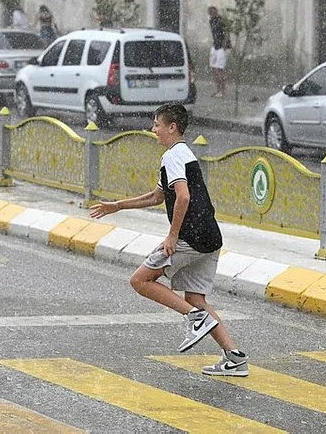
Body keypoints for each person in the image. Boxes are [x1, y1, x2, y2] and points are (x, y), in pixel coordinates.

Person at [89, 103, 249, 377]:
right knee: (196, 298)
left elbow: (183, 197)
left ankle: (194, 318)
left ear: (172, 127)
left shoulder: (173, 156)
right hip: (210, 237)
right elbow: (157, 196)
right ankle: (234, 358)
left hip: (191, 236)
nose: (154, 131)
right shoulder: (184, 155)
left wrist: (172, 236)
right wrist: (117, 206)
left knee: (140, 280)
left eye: (157, 125)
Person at [208, 6, 229, 98]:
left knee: (219, 70)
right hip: (215, 46)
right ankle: (218, 90)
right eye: (210, 13)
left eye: (213, 13)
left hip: (221, 47)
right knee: (213, 69)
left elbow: (226, 32)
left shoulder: (221, 20)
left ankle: (222, 91)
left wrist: (224, 44)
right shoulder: (211, 21)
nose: (211, 15)